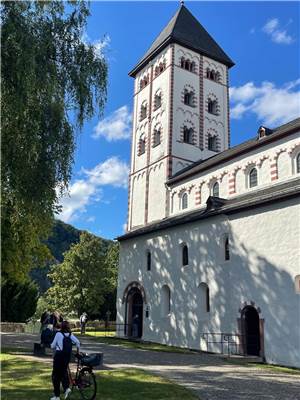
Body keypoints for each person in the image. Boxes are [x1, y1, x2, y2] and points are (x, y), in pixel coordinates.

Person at [50, 320, 80, 400]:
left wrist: (52, 344)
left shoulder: (58, 334)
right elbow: (78, 342)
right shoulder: (70, 335)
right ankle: (66, 388)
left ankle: (57, 396)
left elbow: (52, 345)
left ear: (61, 327)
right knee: (63, 372)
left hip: (59, 356)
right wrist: (77, 351)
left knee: (55, 375)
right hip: (67, 356)